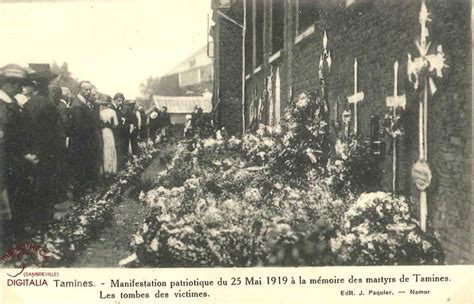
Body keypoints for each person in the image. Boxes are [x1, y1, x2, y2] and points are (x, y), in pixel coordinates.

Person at [22, 70, 62, 229]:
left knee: (34, 186)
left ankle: (35, 221)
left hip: (33, 152)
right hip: (49, 152)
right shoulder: (49, 104)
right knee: (46, 186)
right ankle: (45, 220)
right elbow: (56, 132)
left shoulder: (28, 104)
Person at [0, 64, 31, 248]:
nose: (18, 88)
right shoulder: (3, 105)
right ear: (6, 84)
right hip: (6, 158)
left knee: (14, 195)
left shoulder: (11, 103)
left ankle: (12, 234)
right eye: (15, 84)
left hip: (13, 158)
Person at [69, 80, 100, 197]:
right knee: (80, 170)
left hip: (85, 143)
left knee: (83, 170)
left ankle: (81, 195)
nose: (88, 92)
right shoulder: (77, 105)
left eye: (89, 89)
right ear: (79, 90)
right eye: (85, 90)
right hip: (80, 143)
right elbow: (78, 127)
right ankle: (79, 197)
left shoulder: (84, 103)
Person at [99, 95, 119, 177]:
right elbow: (116, 124)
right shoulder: (112, 112)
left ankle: (104, 170)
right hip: (109, 132)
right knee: (110, 149)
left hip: (101, 132)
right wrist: (111, 126)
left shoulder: (99, 112)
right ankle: (111, 169)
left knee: (103, 150)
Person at [110, 93, 125, 170]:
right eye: (119, 101)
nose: (120, 103)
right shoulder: (112, 108)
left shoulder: (117, 109)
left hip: (118, 133)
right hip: (113, 133)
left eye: (121, 101)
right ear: (114, 100)